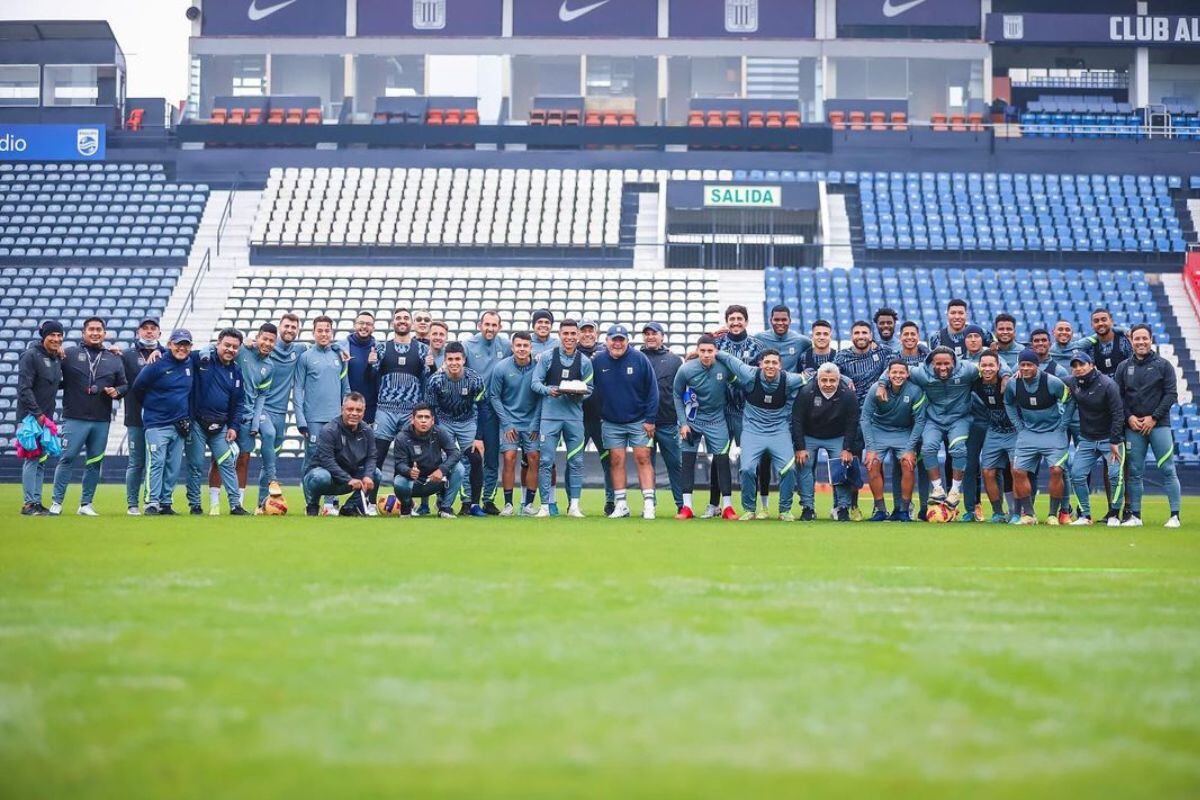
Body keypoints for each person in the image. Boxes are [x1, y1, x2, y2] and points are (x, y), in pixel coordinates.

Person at [713, 348, 807, 521]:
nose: (770, 366)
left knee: (789, 469)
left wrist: (845, 380)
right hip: (752, 431)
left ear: (780, 365)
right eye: (767, 362)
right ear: (761, 364)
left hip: (779, 430)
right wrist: (713, 351)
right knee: (747, 469)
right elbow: (731, 360)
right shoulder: (750, 375)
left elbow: (810, 378)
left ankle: (784, 510)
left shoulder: (789, 380)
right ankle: (749, 509)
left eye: (774, 363)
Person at [49, 317, 127, 516]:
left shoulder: (113, 357)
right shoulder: (69, 354)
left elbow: (124, 385)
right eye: (91, 329)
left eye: (99, 329)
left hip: (101, 419)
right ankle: (57, 502)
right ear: (84, 333)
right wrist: (55, 353)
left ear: (105, 333)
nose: (95, 333)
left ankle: (86, 504)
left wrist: (116, 392)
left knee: (94, 462)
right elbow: (41, 353)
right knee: (67, 459)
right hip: (74, 417)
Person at [890, 346, 981, 510]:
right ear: (932, 363)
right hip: (933, 420)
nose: (943, 367)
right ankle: (938, 489)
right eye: (938, 364)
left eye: (947, 363)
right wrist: (883, 384)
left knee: (958, 449)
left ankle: (954, 491)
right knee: (928, 449)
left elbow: (993, 365)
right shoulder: (922, 373)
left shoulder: (967, 370)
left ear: (954, 361)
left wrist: (1005, 376)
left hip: (959, 418)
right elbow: (895, 369)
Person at [1114, 324, 1181, 528]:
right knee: (1134, 471)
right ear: (1131, 341)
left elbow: (1171, 395)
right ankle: (1135, 516)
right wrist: (1129, 417)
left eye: (1145, 338)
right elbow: (1118, 397)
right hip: (1133, 427)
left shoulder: (1164, 365)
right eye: (1137, 339)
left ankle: (1175, 516)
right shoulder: (1123, 367)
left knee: (1168, 468)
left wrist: (1154, 417)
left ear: (1151, 339)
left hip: (1159, 426)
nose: (1141, 342)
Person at [591, 325, 659, 520]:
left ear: (627, 341)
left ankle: (648, 504)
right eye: (614, 339)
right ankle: (621, 504)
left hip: (639, 421)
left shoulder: (640, 359)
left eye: (621, 339)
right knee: (616, 461)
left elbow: (652, 391)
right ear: (607, 341)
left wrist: (650, 419)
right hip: (611, 421)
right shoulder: (599, 361)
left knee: (643, 458)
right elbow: (591, 389)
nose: (618, 343)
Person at [1004, 348, 1074, 525]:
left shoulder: (1052, 382)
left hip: (1053, 433)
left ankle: (1052, 514)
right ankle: (1028, 514)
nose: (1025, 368)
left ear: (1037, 366)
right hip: (1028, 433)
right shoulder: (1013, 383)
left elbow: (1070, 400)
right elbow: (1008, 403)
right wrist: (1019, 426)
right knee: (1018, 471)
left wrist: (1063, 426)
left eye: (1029, 365)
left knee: (1057, 470)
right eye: (1022, 365)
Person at [531, 318, 592, 518]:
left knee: (576, 462)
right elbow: (535, 383)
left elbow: (590, 389)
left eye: (573, 334)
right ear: (560, 335)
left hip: (574, 419)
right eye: (565, 334)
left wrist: (578, 392)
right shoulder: (548, 357)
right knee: (546, 461)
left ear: (578, 335)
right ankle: (545, 506)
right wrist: (550, 390)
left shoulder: (584, 361)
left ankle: (574, 505)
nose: (569, 337)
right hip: (550, 418)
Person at [131, 328, 196, 515]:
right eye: (178, 344)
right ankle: (152, 502)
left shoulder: (191, 362)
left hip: (180, 425)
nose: (181, 348)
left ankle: (166, 502)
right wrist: (153, 407)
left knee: (173, 466)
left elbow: (212, 351)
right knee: (156, 462)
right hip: (157, 424)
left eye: (186, 345)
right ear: (169, 345)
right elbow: (138, 388)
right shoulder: (156, 364)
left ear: (190, 347)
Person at [672, 335, 736, 520]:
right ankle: (687, 507)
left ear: (715, 351)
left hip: (717, 420)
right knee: (688, 461)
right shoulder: (685, 369)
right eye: (703, 351)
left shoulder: (724, 368)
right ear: (697, 351)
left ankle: (727, 507)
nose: (706, 355)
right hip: (693, 420)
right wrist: (683, 423)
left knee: (722, 461)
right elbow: (677, 395)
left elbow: (736, 382)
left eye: (710, 351)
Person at [186, 328, 249, 516]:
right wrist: (159, 351)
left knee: (227, 463)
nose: (230, 349)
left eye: (235, 347)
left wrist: (234, 426)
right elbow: (178, 354)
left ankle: (235, 505)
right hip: (197, 423)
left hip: (221, 426)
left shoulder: (236, 371)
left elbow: (238, 402)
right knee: (196, 465)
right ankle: (195, 505)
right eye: (227, 345)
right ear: (218, 344)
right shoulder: (200, 359)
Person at [423, 341, 487, 516]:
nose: (454, 363)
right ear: (445, 360)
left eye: (457, 359)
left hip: (467, 422)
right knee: (445, 461)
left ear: (464, 360)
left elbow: (482, 407)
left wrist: (479, 436)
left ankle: (473, 504)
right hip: (444, 422)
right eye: (450, 359)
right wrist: (436, 434)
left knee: (475, 459)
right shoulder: (435, 380)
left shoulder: (475, 379)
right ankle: (443, 501)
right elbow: (431, 409)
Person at [295, 316, 351, 513]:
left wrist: (346, 417)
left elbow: (346, 389)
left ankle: (330, 503)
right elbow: (297, 390)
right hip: (313, 420)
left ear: (332, 333)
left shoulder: (339, 356)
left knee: (335, 459)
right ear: (313, 333)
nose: (324, 334)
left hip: (336, 420)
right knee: (311, 459)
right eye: (320, 330)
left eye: (327, 330)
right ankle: (310, 502)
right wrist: (301, 419)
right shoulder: (306, 357)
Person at [711, 305, 762, 517]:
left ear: (746, 321)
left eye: (739, 318)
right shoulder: (717, 343)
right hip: (721, 409)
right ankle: (714, 504)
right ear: (726, 321)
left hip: (746, 411)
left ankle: (751, 507)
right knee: (718, 457)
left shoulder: (757, 346)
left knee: (750, 459)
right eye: (731, 319)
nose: (735, 322)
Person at [792, 362, 860, 521]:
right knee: (804, 464)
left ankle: (842, 507)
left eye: (832, 380)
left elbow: (852, 422)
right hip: (810, 434)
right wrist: (800, 448)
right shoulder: (806, 392)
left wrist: (847, 448)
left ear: (838, 379)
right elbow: (796, 420)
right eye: (824, 380)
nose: (828, 384)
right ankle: (808, 507)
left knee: (841, 464)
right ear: (817, 379)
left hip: (837, 435)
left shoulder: (848, 395)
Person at [834, 320, 888, 520]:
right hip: (852, 417)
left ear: (871, 335)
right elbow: (831, 373)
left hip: (877, 416)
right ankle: (852, 505)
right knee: (852, 461)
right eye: (857, 332)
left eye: (865, 332)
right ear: (852, 336)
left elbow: (898, 364)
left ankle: (879, 507)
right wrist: (846, 380)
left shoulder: (883, 353)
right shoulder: (842, 356)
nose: (861, 336)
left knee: (877, 462)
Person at [861, 360, 925, 522]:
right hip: (879, 430)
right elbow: (865, 419)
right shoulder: (876, 389)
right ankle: (880, 510)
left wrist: (911, 449)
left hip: (903, 432)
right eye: (894, 373)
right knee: (872, 463)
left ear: (907, 374)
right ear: (888, 374)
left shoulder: (915, 391)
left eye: (901, 372)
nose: (897, 376)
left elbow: (919, 421)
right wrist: (870, 448)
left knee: (908, 463)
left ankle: (904, 509)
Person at [1066, 352, 1125, 526]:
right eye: (1075, 366)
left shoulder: (1108, 384)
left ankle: (1114, 514)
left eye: (1082, 364)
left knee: (1115, 475)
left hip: (1110, 439)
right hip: (1087, 439)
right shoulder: (1072, 381)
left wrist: (1115, 441)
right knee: (1076, 475)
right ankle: (1085, 515)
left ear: (1092, 365)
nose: (1078, 369)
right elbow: (1051, 380)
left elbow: (1118, 413)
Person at [302, 392, 380, 517]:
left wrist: (368, 476)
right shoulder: (329, 430)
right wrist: (348, 479)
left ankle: (350, 507)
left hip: (349, 478)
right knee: (320, 476)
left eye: (358, 410)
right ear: (342, 409)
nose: (354, 413)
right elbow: (327, 461)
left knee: (375, 473)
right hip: (327, 478)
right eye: (350, 409)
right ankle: (312, 506)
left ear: (364, 412)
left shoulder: (367, 431)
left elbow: (372, 456)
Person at [489, 331, 542, 516]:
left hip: (531, 423)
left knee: (534, 458)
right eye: (518, 345)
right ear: (512, 347)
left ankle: (528, 504)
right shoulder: (501, 368)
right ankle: (509, 504)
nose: (521, 349)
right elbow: (494, 396)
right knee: (509, 457)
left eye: (525, 346)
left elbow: (541, 398)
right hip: (509, 422)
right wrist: (506, 423)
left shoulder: (539, 367)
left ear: (530, 347)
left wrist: (535, 423)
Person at [464, 309, 512, 514]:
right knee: (470, 457)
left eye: (494, 325)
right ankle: (467, 499)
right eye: (487, 324)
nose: (490, 328)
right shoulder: (468, 345)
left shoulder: (506, 345)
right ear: (479, 325)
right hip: (471, 409)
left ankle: (488, 499)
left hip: (493, 409)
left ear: (499, 327)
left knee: (492, 457)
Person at [371, 308, 429, 473]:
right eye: (398, 318)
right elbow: (371, 376)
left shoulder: (422, 349)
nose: (402, 321)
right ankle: (369, 498)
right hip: (385, 410)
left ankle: (403, 497)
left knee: (406, 459)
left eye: (406, 318)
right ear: (393, 323)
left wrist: (432, 366)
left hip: (410, 411)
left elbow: (429, 378)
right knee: (377, 456)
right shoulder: (381, 348)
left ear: (411, 323)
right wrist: (370, 365)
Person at [17, 320, 64, 516]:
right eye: (51, 335)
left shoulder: (55, 358)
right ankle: (29, 504)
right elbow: (24, 388)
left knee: (41, 460)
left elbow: (53, 385)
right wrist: (37, 414)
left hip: (46, 417)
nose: (55, 339)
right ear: (43, 336)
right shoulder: (30, 356)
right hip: (32, 417)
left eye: (59, 335)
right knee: (31, 458)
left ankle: (36, 501)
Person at [640, 322, 684, 514]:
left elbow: (681, 391)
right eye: (647, 334)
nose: (650, 337)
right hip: (643, 424)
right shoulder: (636, 358)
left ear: (662, 337)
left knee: (676, 464)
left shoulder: (674, 360)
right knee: (645, 465)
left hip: (668, 422)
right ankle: (650, 505)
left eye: (654, 333)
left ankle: (682, 505)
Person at [231, 323, 276, 510]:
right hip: (227, 413)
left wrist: (255, 423)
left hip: (248, 417)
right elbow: (216, 347)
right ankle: (214, 504)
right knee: (220, 460)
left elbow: (261, 397)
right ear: (257, 337)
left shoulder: (269, 366)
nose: (267, 343)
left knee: (244, 459)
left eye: (271, 341)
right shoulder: (242, 350)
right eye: (264, 338)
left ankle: (238, 504)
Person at [261, 313, 306, 500]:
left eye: (293, 327)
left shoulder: (300, 349)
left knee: (270, 457)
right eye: (286, 326)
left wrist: (337, 347)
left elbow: (325, 347)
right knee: (269, 435)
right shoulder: (266, 347)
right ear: (280, 327)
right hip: (261, 408)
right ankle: (273, 479)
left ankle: (262, 503)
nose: (289, 330)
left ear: (298, 330)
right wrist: (247, 341)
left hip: (281, 412)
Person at [391, 403, 464, 519]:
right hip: (412, 482)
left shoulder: (439, 432)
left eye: (427, 417)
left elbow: (455, 453)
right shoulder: (402, 437)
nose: (423, 421)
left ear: (432, 420)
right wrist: (409, 471)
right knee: (399, 481)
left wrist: (442, 470)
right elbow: (399, 464)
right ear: (412, 420)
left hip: (434, 480)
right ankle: (406, 507)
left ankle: (445, 508)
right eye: (420, 417)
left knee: (459, 468)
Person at [121, 318, 164, 515]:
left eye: (153, 329)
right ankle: (132, 504)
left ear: (159, 333)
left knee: (155, 462)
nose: (149, 332)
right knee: (136, 462)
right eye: (145, 329)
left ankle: (155, 502)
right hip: (135, 418)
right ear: (138, 332)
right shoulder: (127, 355)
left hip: (160, 419)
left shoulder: (168, 354)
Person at [972, 352, 1018, 524]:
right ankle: (998, 513)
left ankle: (1018, 512)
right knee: (988, 472)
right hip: (994, 430)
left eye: (991, 365)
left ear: (998, 366)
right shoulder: (975, 383)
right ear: (979, 367)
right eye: (984, 365)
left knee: (1017, 471)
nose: (987, 369)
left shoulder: (1010, 382)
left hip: (1014, 431)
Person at [577, 319, 615, 514]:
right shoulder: (569, 354)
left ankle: (611, 502)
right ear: (577, 333)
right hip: (577, 418)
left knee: (608, 461)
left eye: (590, 331)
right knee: (574, 461)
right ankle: (572, 502)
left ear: (597, 333)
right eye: (583, 331)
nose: (587, 334)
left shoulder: (607, 352)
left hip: (602, 418)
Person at [342, 311, 379, 424]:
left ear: (373, 327)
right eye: (361, 323)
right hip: (347, 408)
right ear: (355, 325)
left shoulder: (380, 349)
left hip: (371, 409)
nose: (364, 326)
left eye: (368, 324)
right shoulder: (341, 347)